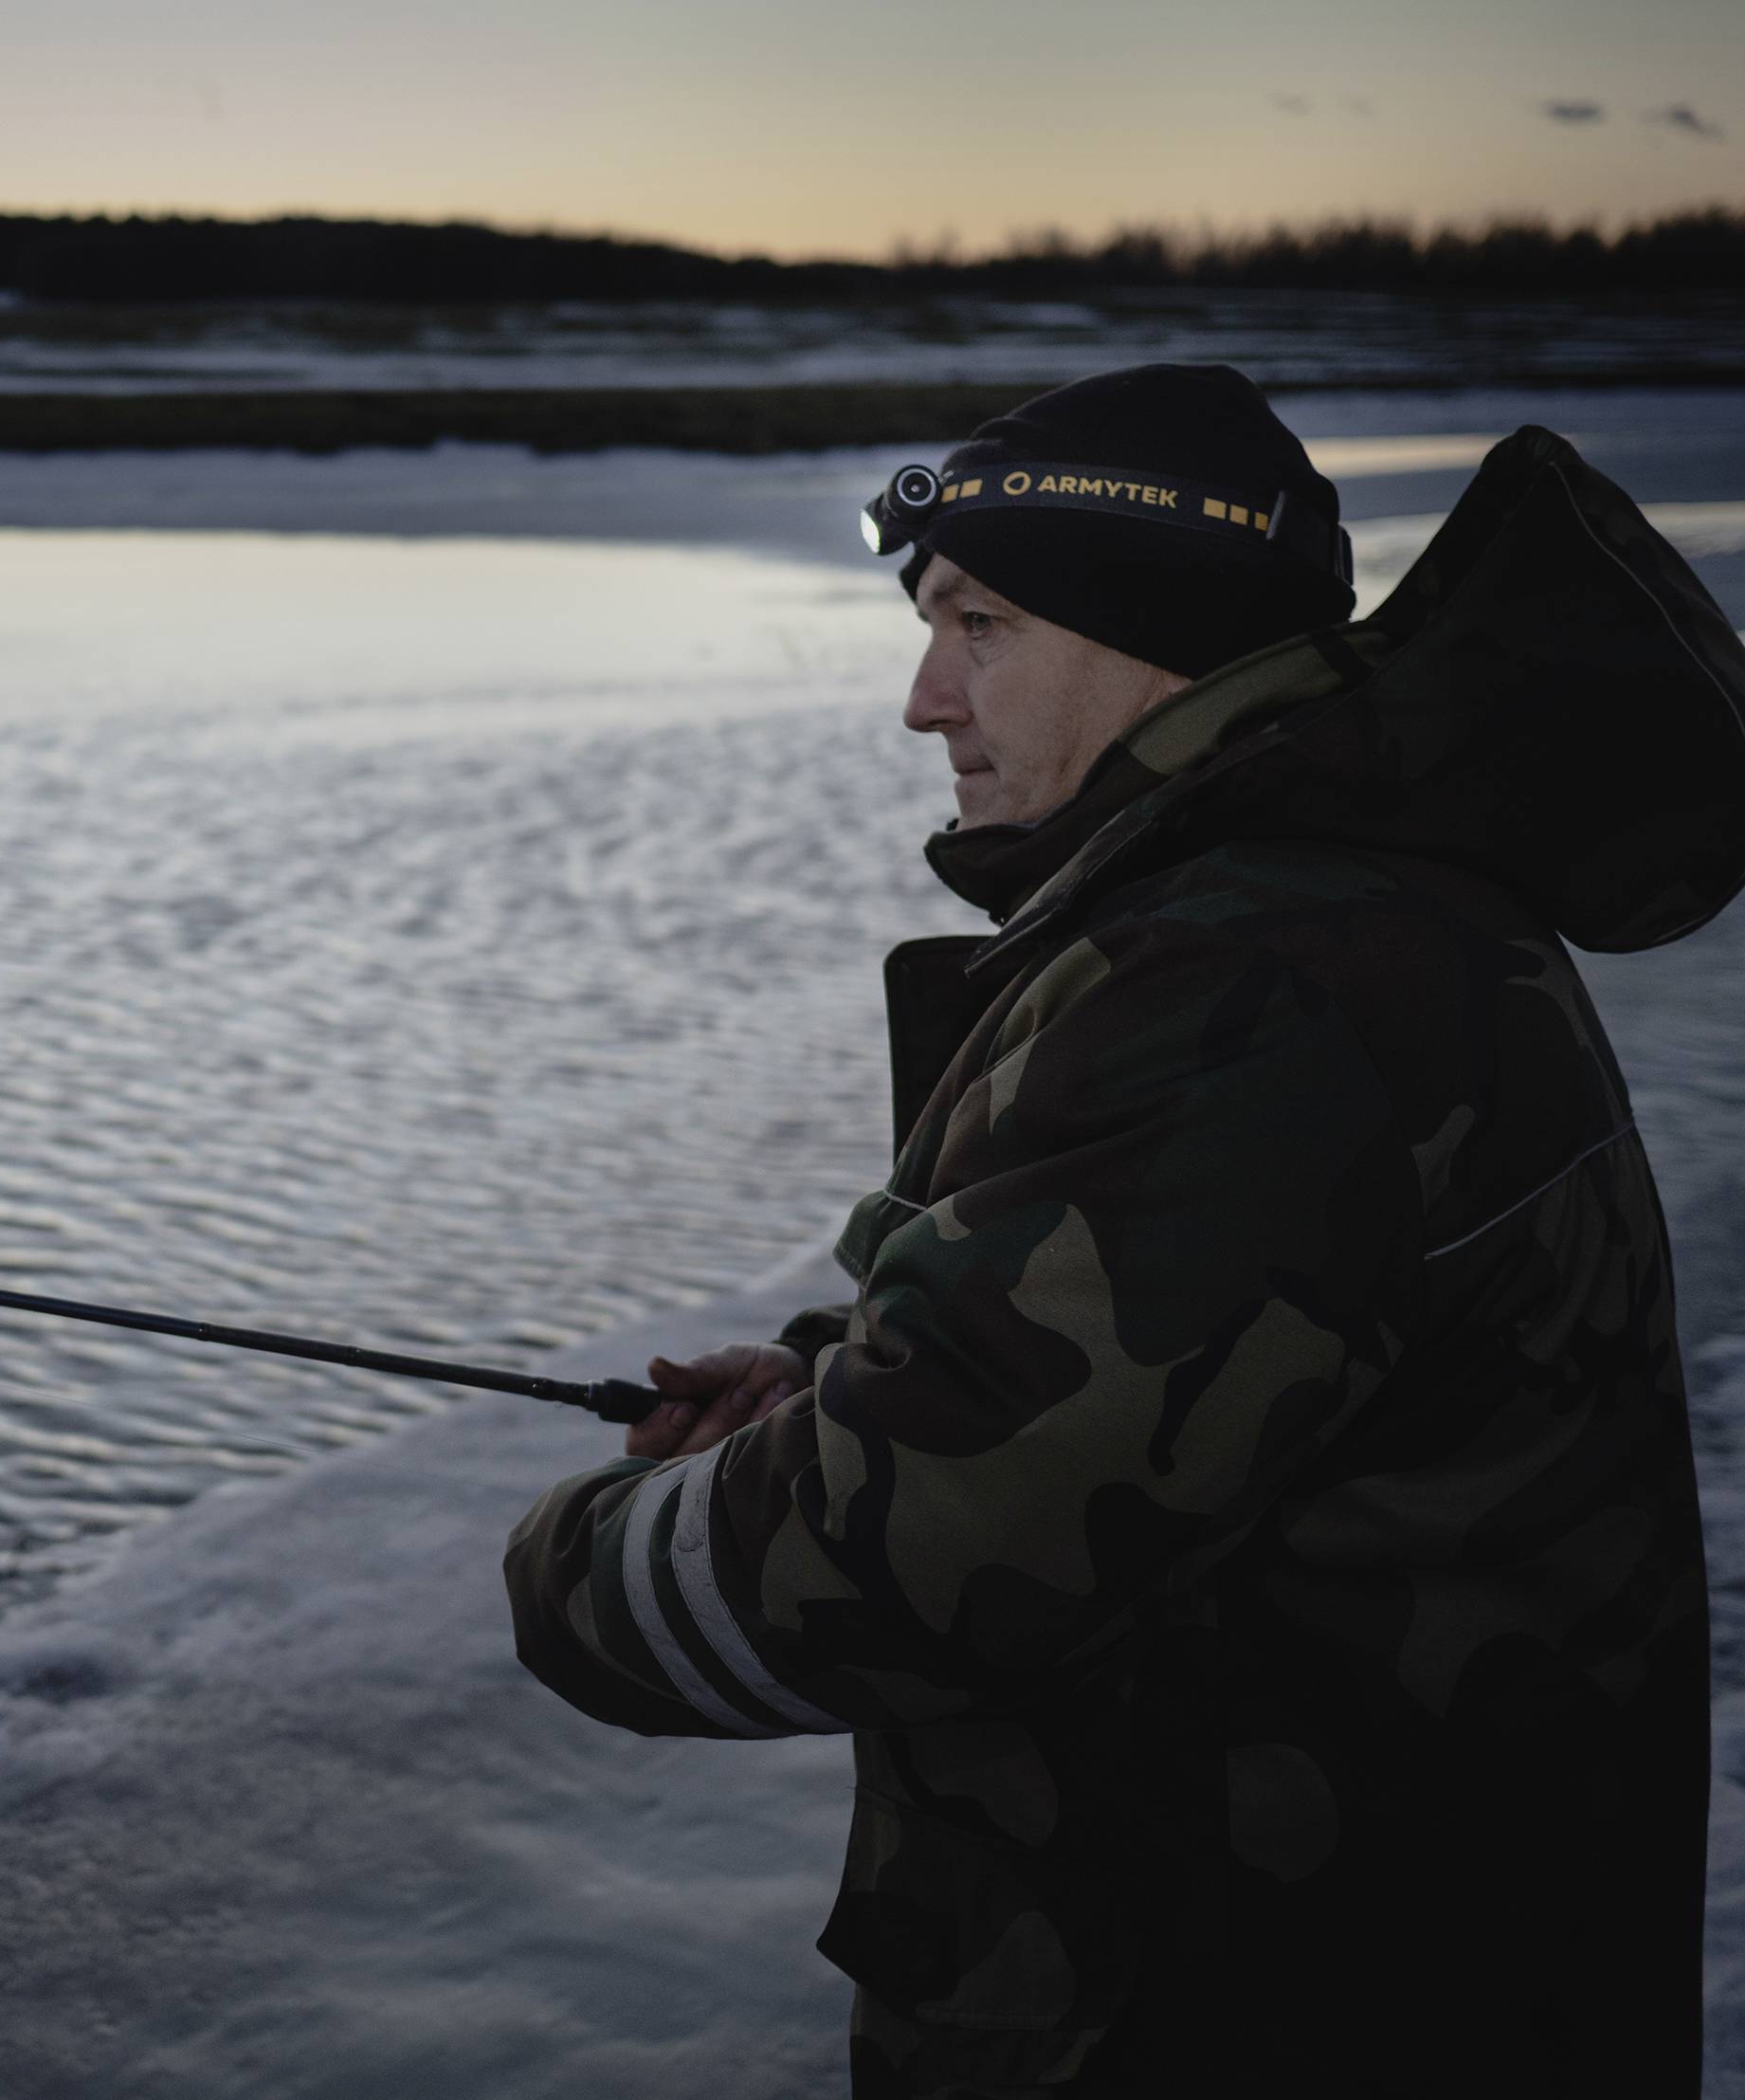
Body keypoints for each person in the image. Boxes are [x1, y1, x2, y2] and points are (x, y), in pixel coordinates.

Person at [504, 363, 1745, 2096]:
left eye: (980, 623)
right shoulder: (1334, 902)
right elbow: (1205, 1378)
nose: (925, 698)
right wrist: (849, 1382)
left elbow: (908, 1563)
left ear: (1159, 636)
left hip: (1261, 2012)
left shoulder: (1251, 983)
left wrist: (579, 1562)